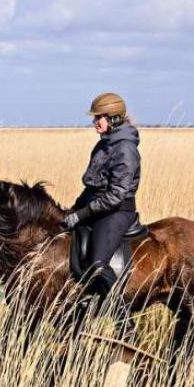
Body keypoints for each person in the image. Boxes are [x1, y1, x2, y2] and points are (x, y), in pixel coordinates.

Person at [61, 92, 141, 299]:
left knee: (97, 264)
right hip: (96, 207)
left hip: (117, 212)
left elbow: (116, 196)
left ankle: (122, 318)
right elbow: (92, 186)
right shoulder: (103, 144)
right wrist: (73, 209)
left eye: (98, 118)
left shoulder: (125, 149)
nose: (94, 122)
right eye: (94, 118)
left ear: (113, 118)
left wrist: (82, 214)